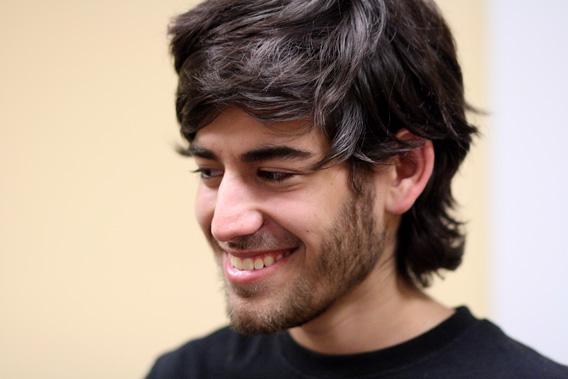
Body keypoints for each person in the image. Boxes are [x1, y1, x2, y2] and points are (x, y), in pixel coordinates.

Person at [147, 0, 568, 377]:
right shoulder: (186, 371)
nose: (225, 224)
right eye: (209, 173)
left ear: (402, 170)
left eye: (274, 174)